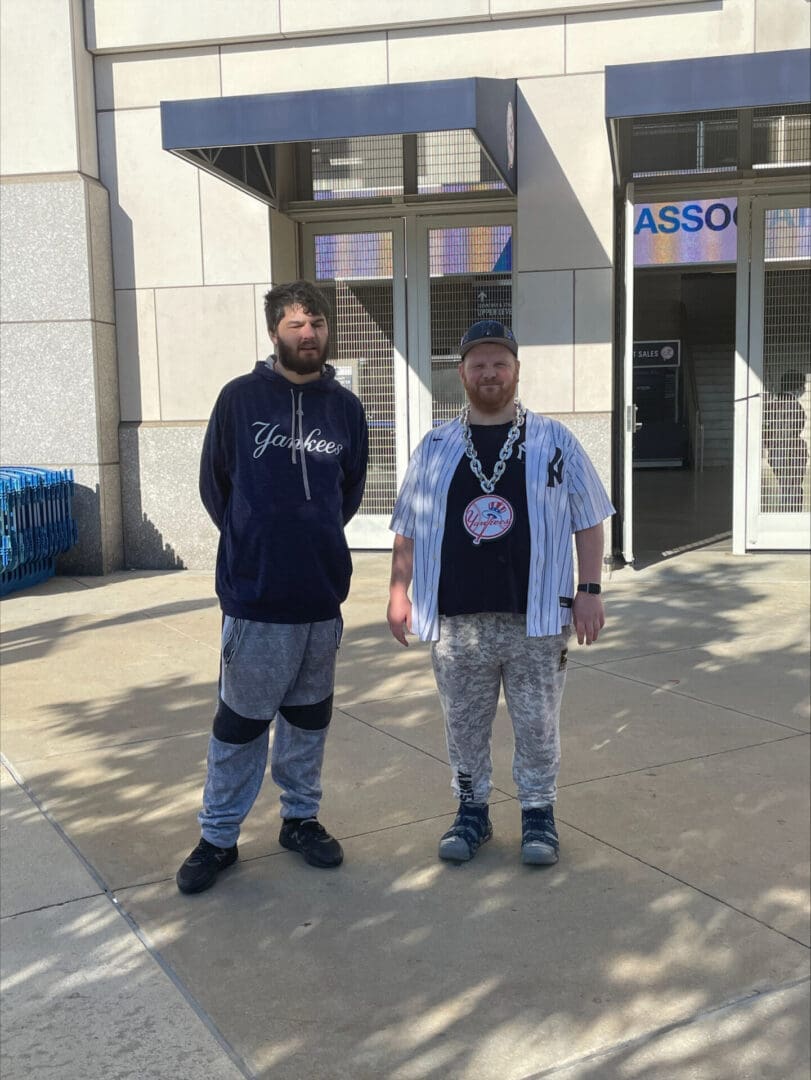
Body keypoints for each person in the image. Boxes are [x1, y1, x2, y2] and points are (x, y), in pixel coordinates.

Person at [387, 320, 614, 866]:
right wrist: (399, 590)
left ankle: (539, 815)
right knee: (463, 725)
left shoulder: (555, 441)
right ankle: (472, 812)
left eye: (500, 363)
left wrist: (589, 590)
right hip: (457, 619)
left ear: (515, 370)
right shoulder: (437, 444)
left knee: (538, 724)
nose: (489, 373)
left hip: (535, 616)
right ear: (462, 372)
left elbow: (589, 519)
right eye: (478, 364)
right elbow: (409, 524)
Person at [177, 280, 368, 894]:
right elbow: (216, 487)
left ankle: (300, 820)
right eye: (294, 324)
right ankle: (218, 837)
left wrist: (310, 539)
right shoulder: (239, 399)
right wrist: (256, 538)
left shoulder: (345, 409)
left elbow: (349, 490)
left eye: (315, 322)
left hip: (319, 599)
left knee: (309, 721)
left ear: (328, 330)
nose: (307, 333)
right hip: (256, 599)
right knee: (240, 723)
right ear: (273, 333)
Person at [763, 370, 809, 513]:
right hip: (791, 455)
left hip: (776, 453)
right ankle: (791, 517)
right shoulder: (794, 406)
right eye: (803, 386)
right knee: (793, 489)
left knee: (784, 488)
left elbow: (767, 432)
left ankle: (785, 514)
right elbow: (793, 429)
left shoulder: (772, 405)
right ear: (797, 387)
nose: (804, 390)